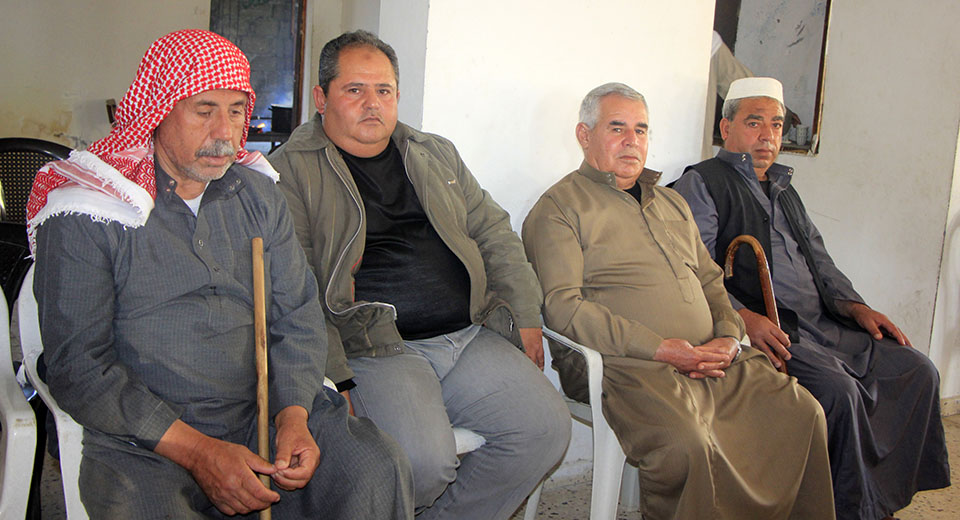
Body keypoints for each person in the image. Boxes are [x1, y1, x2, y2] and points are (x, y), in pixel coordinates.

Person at [27, 29, 413, 519]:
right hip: (147, 439)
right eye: (204, 110)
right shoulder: (90, 211)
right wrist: (200, 453)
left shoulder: (258, 195)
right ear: (159, 110)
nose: (225, 133)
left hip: (262, 411)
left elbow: (297, 315)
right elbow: (79, 366)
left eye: (235, 111)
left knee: (375, 466)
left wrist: (293, 416)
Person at [268, 30, 570, 519]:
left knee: (544, 431)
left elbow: (494, 232)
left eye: (384, 90)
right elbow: (295, 290)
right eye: (354, 90)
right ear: (321, 98)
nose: (372, 103)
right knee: (421, 465)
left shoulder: (433, 153)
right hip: (377, 348)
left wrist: (526, 315)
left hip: (468, 334)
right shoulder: (289, 173)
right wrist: (334, 378)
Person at [522, 82, 835, 519]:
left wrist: (728, 336)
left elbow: (710, 280)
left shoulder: (671, 202)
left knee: (802, 413)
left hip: (714, 358)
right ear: (584, 135)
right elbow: (563, 308)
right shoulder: (559, 208)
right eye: (617, 128)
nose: (632, 141)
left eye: (641, 130)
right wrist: (663, 349)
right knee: (685, 444)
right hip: (628, 366)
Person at [674, 77, 950, 519]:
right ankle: (843, 509)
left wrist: (857, 308)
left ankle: (878, 502)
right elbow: (693, 271)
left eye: (776, 125)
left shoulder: (784, 188)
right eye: (754, 123)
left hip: (824, 323)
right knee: (839, 392)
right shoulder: (703, 183)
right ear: (726, 128)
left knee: (917, 370)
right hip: (776, 331)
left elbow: (821, 262)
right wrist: (743, 318)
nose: (768, 136)